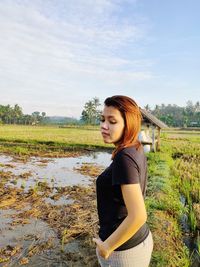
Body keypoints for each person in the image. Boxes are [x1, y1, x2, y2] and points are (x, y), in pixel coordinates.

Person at [93, 95, 153, 267]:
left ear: (128, 125)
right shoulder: (134, 147)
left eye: (112, 121)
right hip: (135, 242)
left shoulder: (124, 158)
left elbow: (139, 215)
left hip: (124, 252)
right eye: (102, 119)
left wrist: (107, 246)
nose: (103, 126)